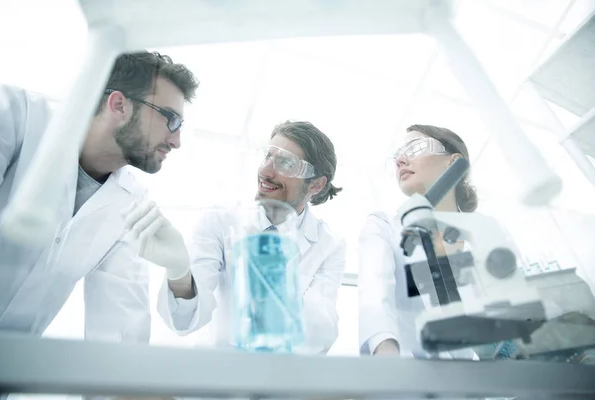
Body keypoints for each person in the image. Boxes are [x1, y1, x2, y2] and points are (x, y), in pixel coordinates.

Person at [0, 51, 199, 342]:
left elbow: (120, 339)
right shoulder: (13, 116)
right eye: (171, 119)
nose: (176, 141)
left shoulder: (132, 208)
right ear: (119, 105)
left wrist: (179, 270)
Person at [125, 120, 346, 353]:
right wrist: (179, 272)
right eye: (267, 157)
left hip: (281, 375)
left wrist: (274, 286)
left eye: (286, 163)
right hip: (220, 373)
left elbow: (322, 334)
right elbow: (183, 320)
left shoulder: (329, 245)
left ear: (317, 185)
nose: (265, 171)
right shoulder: (221, 219)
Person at [358, 124, 478, 358]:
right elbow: (374, 294)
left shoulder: (482, 235)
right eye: (398, 156)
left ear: (453, 162)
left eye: (415, 148)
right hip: (409, 381)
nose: (400, 160)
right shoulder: (384, 226)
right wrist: (385, 352)